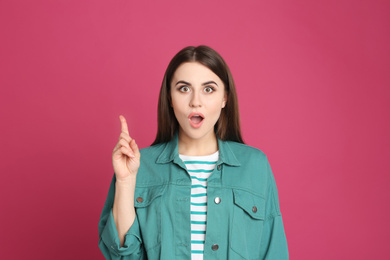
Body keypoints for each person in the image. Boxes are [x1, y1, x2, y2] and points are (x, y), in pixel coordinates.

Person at [98, 45, 289, 259]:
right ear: (170, 98)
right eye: (184, 88)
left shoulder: (255, 165)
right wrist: (125, 182)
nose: (195, 101)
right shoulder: (139, 165)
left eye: (208, 89)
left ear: (225, 98)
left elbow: (274, 251)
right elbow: (123, 255)